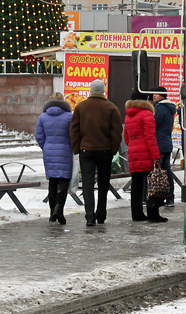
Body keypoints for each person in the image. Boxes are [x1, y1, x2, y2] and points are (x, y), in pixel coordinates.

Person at [70, 79, 123, 226]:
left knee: (87, 183)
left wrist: (76, 148)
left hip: (86, 150)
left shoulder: (81, 107)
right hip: (105, 151)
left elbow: (74, 130)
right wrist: (113, 149)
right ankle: (101, 214)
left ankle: (89, 216)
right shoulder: (111, 108)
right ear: (103, 91)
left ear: (91, 91)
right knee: (103, 184)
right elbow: (117, 132)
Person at [124, 93, 166, 223]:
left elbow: (126, 138)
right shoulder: (147, 114)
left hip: (133, 151)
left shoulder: (128, 116)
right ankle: (153, 213)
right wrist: (156, 156)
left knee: (136, 184)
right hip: (146, 152)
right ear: (145, 100)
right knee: (151, 183)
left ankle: (136, 213)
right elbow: (150, 137)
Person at [34, 92, 73, 225]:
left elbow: (38, 135)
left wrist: (45, 146)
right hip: (65, 150)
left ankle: (52, 213)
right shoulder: (69, 116)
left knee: (52, 181)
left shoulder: (43, 117)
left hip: (49, 151)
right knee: (63, 180)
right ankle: (59, 209)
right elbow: (73, 134)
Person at [151, 85, 176, 208]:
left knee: (157, 172)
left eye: (156, 94)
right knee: (167, 171)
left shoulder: (160, 108)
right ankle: (170, 198)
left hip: (158, 143)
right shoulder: (170, 108)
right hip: (167, 143)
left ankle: (157, 196)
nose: (153, 96)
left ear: (162, 95)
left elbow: (154, 124)